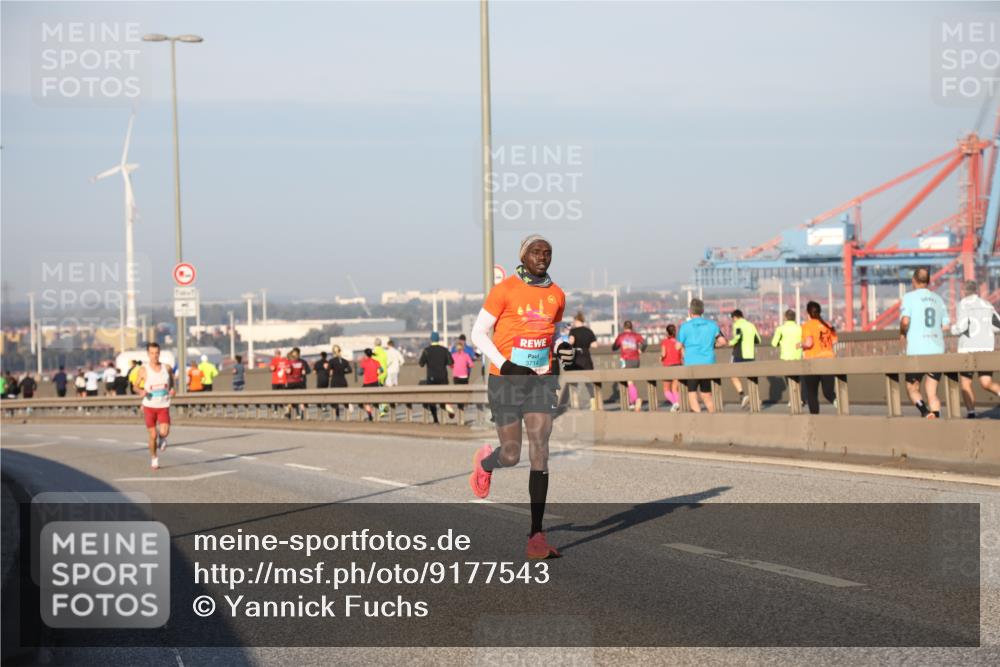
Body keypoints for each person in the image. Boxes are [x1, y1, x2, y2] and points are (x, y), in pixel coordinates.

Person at [468, 234, 574, 560]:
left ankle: (536, 536)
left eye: (548, 253)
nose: (542, 257)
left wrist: (559, 348)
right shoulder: (505, 290)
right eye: (536, 252)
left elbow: (548, 332)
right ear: (524, 256)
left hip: (541, 380)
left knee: (540, 449)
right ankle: (486, 462)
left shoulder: (557, 295)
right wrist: (505, 363)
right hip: (506, 380)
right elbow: (478, 334)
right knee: (512, 455)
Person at [900, 268, 949, 419]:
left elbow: (905, 321)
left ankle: (925, 412)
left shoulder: (909, 297)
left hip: (917, 350)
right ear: (928, 281)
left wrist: (902, 332)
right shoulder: (939, 299)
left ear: (914, 280)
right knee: (932, 392)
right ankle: (936, 418)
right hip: (937, 349)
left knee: (911, 387)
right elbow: (945, 326)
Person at [951, 279, 1000, 418]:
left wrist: (952, 330)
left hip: (968, 350)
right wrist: (986, 330)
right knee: (986, 382)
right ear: (977, 291)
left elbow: (961, 327)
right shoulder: (987, 304)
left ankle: (971, 413)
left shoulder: (963, 304)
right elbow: (998, 324)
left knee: (966, 383)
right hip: (986, 348)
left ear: (963, 292)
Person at [677, 298, 726, 413]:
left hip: (691, 365)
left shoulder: (684, 326)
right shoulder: (712, 325)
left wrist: (685, 348)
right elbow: (723, 341)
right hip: (708, 364)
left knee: (692, 393)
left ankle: (699, 420)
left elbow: (677, 346)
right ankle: (715, 418)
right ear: (702, 311)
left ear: (690, 312)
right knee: (706, 394)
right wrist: (712, 345)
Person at [133, 342, 174, 471]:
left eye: (156, 353)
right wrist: (140, 391)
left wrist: (172, 389)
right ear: (148, 354)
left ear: (159, 353)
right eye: (152, 353)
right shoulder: (143, 369)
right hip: (149, 406)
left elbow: (171, 381)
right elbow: (135, 385)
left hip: (163, 405)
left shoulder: (166, 368)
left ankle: (163, 438)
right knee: (152, 435)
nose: (154, 356)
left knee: (164, 432)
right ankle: (154, 458)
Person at [801, 301, 838, 414]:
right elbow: (835, 341)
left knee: (812, 393)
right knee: (828, 392)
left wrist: (799, 345)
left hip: (813, 362)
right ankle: (837, 402)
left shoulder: (807, 325)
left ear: (808, 313)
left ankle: (815, 418)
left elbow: (809, 343)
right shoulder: (827, 325)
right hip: (829, 360)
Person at [727, 309, 761, 409]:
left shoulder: (737, 324)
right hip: (750, 354)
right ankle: (756, 398)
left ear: (735, 317)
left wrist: (730, 342)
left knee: (731, 373)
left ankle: (742, 395)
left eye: (733, 319)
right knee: (751, 377)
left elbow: (738, 336)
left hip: (739, 353)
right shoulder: (751, 325)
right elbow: (758, 340)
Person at [418, 331, 455, 423]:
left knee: (432, 399)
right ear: (438, 339)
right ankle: (448, 408)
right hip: (443, 377)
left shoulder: (427, 350)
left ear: (431, 339)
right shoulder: (444, 350)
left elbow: (421, 364)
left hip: (431, 378)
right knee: (444, 396)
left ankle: (435, 418)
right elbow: (451, 362)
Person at [612, 320, 647, 412]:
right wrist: (641, 350)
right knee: (632, 381)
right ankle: (631, 403)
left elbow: (614, 347)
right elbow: (645, 343)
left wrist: (617, 346)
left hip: (626, 360)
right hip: (636, 360)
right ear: (631, 327)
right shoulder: (636, 336)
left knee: (629, 381)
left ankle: (636, 400)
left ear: (624, 327)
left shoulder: (621, 336)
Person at [771, 309, 803, 407]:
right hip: (798, 356)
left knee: (789, 379)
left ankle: (793, 400)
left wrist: (781, 342)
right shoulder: (800, 328)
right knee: (797, 379)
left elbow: (773, 343)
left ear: (785, 317)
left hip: (786, 356)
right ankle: (799, 399)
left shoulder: (781, 329)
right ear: (794, 317)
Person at [567, 311, 599, 408]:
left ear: (576, 320)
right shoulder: (588, 331)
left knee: (574, 383)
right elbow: (595, 345)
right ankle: (594, 403)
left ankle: (575, 403)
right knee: (589, 382)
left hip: (576, 358)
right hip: (586, 358)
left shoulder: (573, 331)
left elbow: (571, 342)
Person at [660, 323, 683, 411]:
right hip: (678, 366)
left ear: (667, 332)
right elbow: (684, 354)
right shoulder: (678, 342)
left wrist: (660, 357)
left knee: (666, 389)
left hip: (668, 367)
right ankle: (677, 404)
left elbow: (663, 354)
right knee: (675, 389)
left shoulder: (665, 342)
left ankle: (675, 403)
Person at [359, 348, 382, 421]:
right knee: (376, 400)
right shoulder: (376, 362)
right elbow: (381, 370)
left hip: (367, 384)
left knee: (364, 400)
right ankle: (379, 413)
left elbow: (360, 373)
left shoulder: (364, 362)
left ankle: (369, 415)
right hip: (375, 383)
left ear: (365, 354)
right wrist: (377, 374)